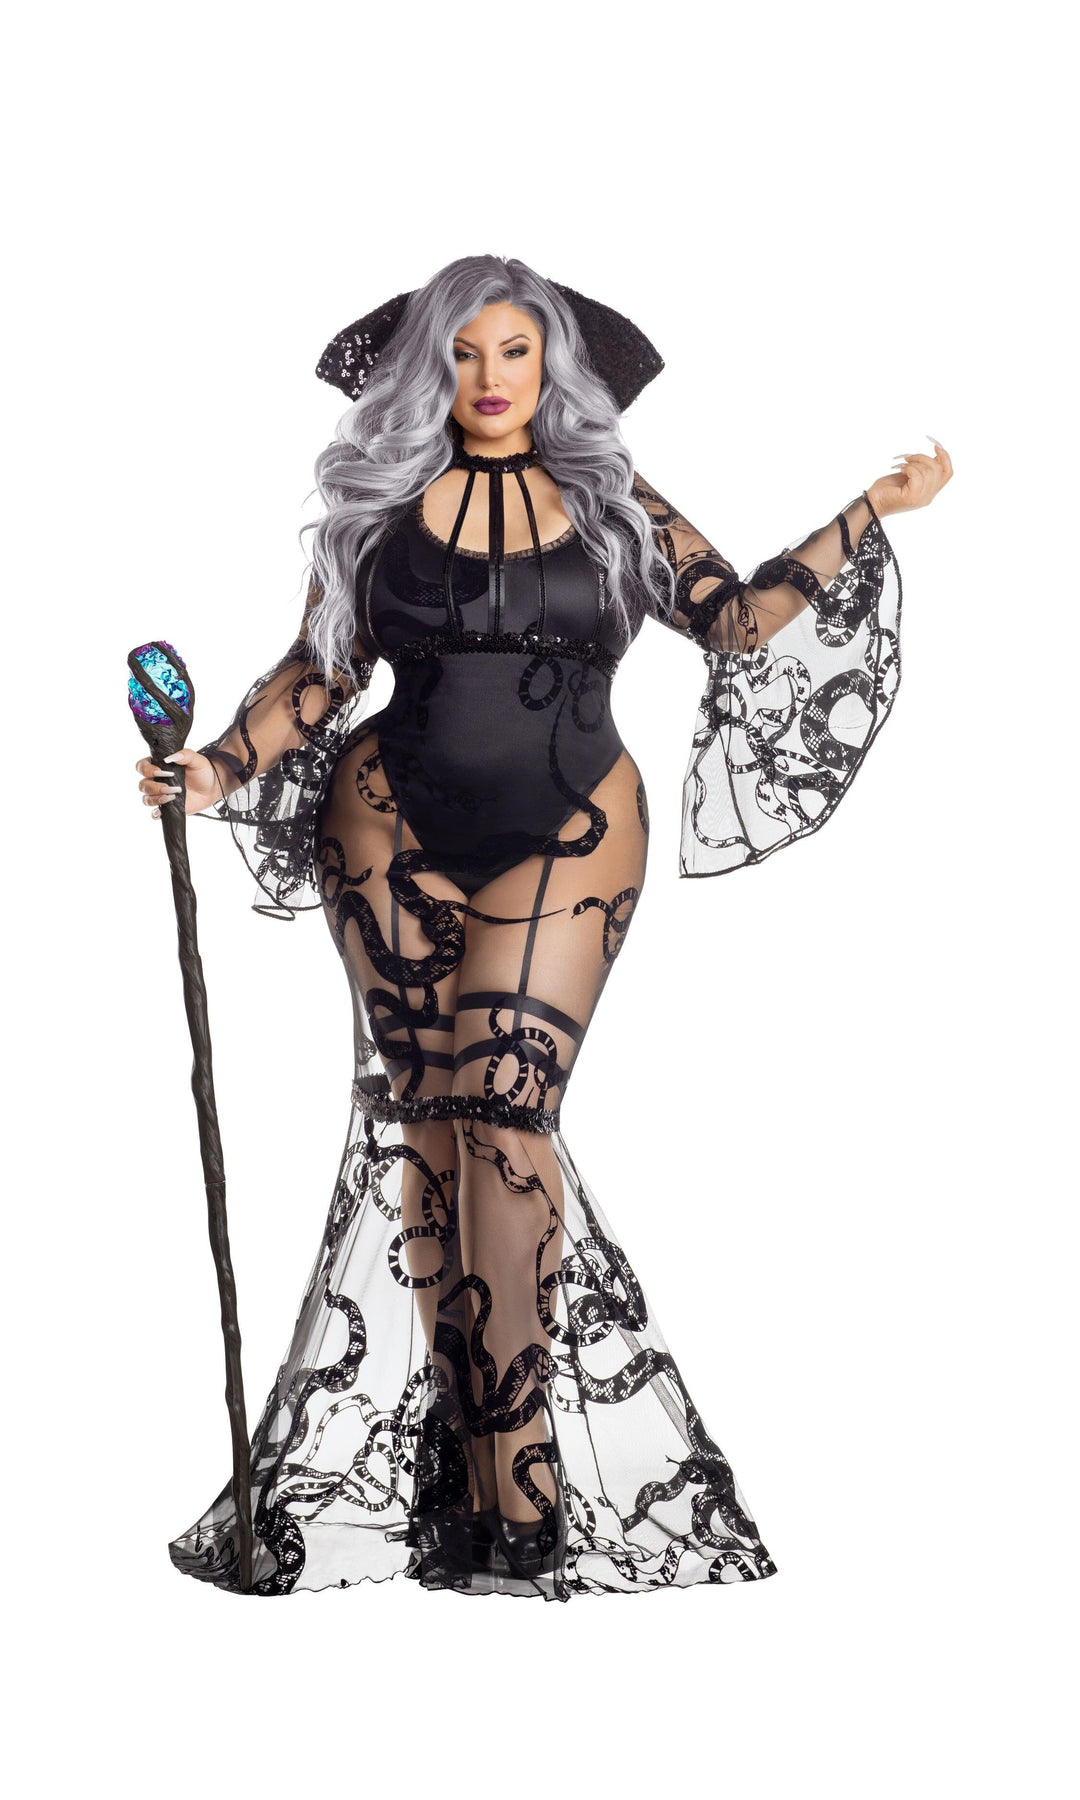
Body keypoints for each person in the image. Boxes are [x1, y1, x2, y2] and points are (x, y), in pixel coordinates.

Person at [136, 254, 952, 1601]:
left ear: (553, 366)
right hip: (385, 823)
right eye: (464, 353)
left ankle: (522, 1483)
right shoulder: (380, 509)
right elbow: (318, 674)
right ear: (430, 370)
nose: (490, 377)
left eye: (514, 351)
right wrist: (216, 768)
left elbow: (737, 621)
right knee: (429, 1127)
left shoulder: (616, 501)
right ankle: (466, 1474)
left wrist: (867, 509)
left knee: (506, 1119)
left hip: (571, 826)